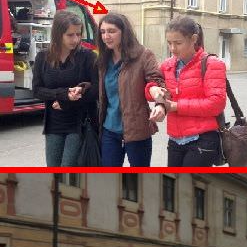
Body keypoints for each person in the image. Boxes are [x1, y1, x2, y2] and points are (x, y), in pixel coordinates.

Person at [148, 16, 226, 167]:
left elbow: (216, 104)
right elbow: (152, 84)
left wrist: (176, 106)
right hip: (175, 139)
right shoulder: (167, 65)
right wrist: (154, 92)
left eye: (178, 43)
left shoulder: (212, 64)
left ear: (193, 39)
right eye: (169, 43)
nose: (172, 48)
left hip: (202, 139)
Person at [96, 12, 164, 167]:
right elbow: (98, 87)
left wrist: (160, 102)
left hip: (137, 130)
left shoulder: (143, 55)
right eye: (103, 32)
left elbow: (157, 81)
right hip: (109, 129)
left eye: (112, 31)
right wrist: (81, 88)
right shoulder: (103, 59)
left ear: (124, 32)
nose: (106, 36)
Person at [31, 10, 97, 166]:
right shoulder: (43, 57)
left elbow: (96, 90)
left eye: (78, 34)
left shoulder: (88, 57)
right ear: (58, 34)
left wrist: (69, 102)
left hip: (79, 123)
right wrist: (63, 94)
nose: (75, 39)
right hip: (53, 124)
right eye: (70, 35)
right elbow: (37, 90)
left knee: (68, 169)